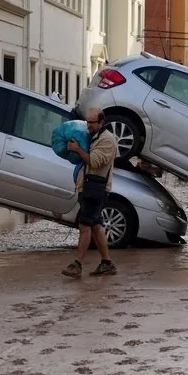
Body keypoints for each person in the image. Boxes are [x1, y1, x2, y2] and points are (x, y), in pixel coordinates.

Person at [62, 108, 118, 278]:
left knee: (84, 225)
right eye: (87, 122)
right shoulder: (94, 136)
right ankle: (107, 263)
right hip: (88, 187)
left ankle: (77, 264)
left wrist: (77, 149)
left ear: (101, 122)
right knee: (95, 225)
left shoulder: (107, 140)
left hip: (96, 189)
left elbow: (94, 162)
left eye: (91, 123)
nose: (88, 126)